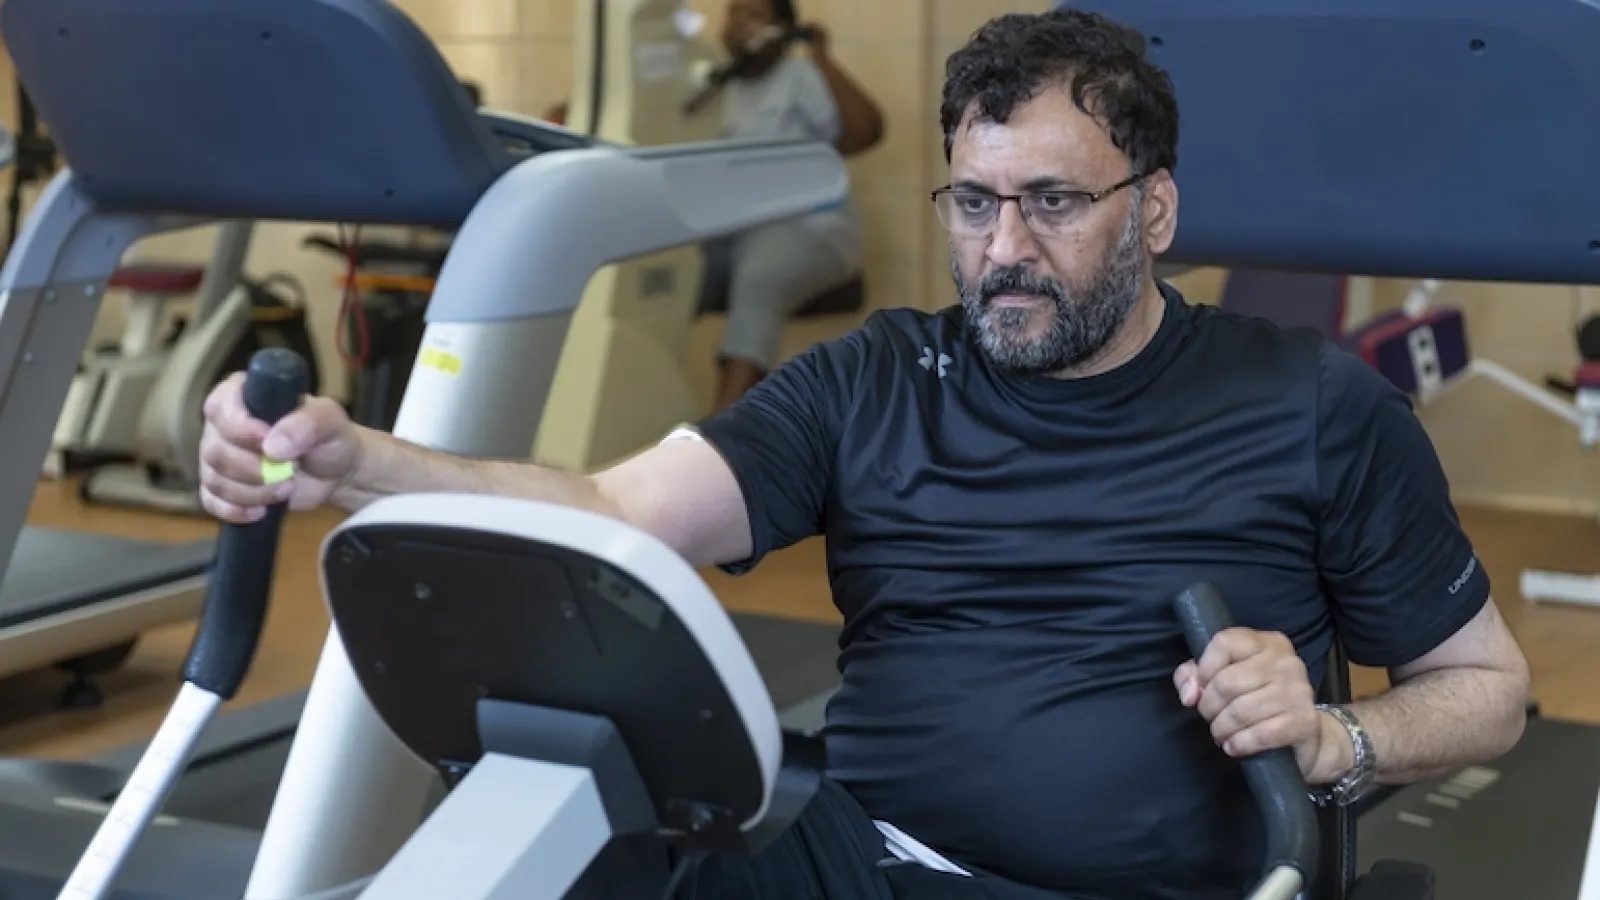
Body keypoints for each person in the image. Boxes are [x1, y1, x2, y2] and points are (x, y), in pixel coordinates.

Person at [198, 9, 1530, 900]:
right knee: (554, 831)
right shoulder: (875, 378)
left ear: (1157, 210)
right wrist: (356, 464)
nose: (1005, 249)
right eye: (974, 203)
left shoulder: (1311, 403)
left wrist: (1335, 738)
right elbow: (618, 511)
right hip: (860, 864)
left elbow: (1485, 689)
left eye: (1054, 202)